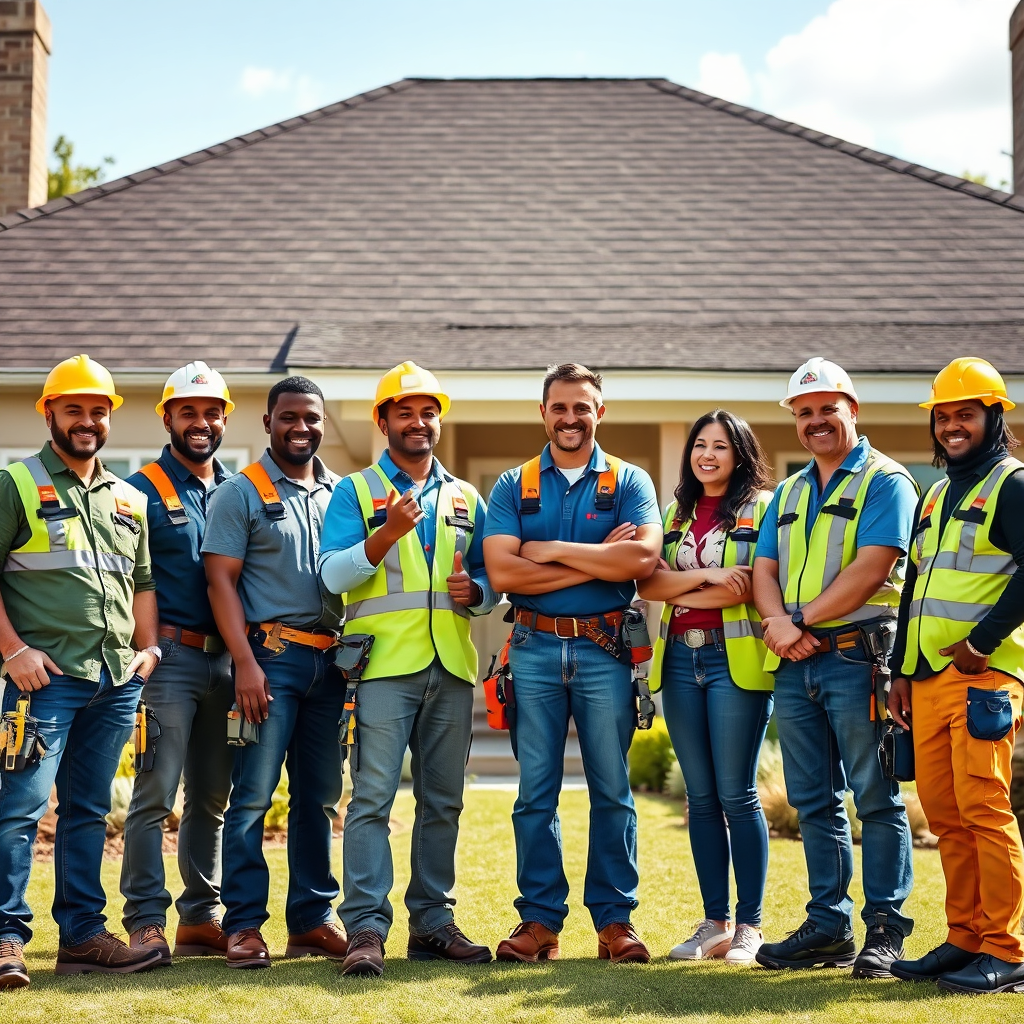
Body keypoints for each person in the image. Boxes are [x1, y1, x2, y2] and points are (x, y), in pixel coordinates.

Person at [318, 362, 497, 977]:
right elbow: (333, 575)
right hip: (382, 667)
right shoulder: (356, 491)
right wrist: (385, 536)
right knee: (370, 798)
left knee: (443, 801)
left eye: (428, 411)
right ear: (383, 420)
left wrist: (480, 592)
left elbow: (490, 581)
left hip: (450, 665)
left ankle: (433, 924)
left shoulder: (465, 497)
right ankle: (366, 927)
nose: (418, 422)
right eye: (404, 411)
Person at [483, 362, 662, 964]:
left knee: (612, 789)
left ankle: (616, 921)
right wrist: (596, 559)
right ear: (544, 413)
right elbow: (504, 573)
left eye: (582, 407)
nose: (570, 418)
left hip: (605, 649)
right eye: (559, 407)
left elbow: (640, 561)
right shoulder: (512, 484)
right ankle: (538, 922)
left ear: (599, 412)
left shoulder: (630, 480)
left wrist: (552, 551)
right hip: (532, 649)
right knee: (536, 793)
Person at [0, 355, 163, 988]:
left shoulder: (129, 496)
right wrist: (13, 651)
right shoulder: (15, 484)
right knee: (19, 810)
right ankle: (7, 939)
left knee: (88, 811)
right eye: (74, 410)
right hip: (42, 682)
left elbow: (142, 581)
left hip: (115, 681)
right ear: (49, 414)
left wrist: (147, 651)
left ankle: (83, 936)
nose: (87, 421)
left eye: (98, 411)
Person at [751, 356, 917, 978]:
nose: (816, 421)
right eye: (805, 412)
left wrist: (801, 622)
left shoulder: (885, 480)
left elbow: (873, 566)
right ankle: (828, 926)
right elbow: (764, 569)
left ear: (853, 410)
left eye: (827, 408)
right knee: (813, 801)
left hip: (858, 657)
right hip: (797, 663)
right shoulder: (791, 490)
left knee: (876, 797)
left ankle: (885, 929)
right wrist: (777, 625)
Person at [888, 358, 1024, 995]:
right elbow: (915, 586)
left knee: (985, 810)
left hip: (983, 676)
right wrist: (898, 672)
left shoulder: (1011, 485)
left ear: (994, 417)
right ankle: (965, 937)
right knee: (945, 815)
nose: (951, 427)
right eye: (943, 417)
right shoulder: (938, 492)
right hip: (926, 679)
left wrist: (981, 641)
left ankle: (1007, 947)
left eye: (964, 414)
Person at [203, 376, 347, 969]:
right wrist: (244, 662)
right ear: (268, 423)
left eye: (311, 417)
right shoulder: (241, 492)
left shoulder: (342, 491)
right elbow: (220, 580)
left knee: (318, 798)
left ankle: (312, 920)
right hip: (270, 662)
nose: (301, 427)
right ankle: (243, 926)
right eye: (289, 416)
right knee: (254, 796)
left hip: (331, 665)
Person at [638, 410, 774, 965]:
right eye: (700, 445)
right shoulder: (674, 513)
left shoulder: (763, 509)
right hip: (679, 665)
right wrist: (712, 579)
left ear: (739, 454)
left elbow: (753, 589)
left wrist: (689, 587)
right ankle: (713, 923)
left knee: (736, 796)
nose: (708, 455)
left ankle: (750, 926)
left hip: (733, 662)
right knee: (700, 799)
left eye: (720, 446)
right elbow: (649, 582)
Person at [119, 362, 236, 964]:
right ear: (166, 417)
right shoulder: (136, 491)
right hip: (169, 664)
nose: (201, 422)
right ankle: (144, 919)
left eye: (211, 412)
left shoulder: (237, 490)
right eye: (187, 411)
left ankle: (199, 916)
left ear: (224, 420)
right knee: (156, 793)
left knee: (212, 795)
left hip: (229, 665)